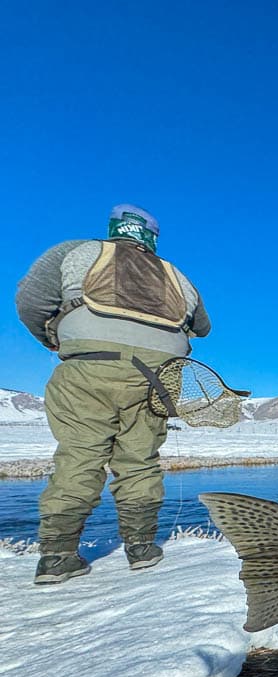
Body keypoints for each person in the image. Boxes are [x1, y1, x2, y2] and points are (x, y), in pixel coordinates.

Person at [16, 204, 211, 584]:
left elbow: (30, 301)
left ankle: (57, 556)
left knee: (80, 456)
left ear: (114, 229)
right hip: (156, 376)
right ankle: (141, 549)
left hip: (89, 366)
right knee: (139, 460)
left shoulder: (75, 252)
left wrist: (54, 338)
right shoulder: (177, 275)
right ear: (152, 238)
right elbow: (202, 326)